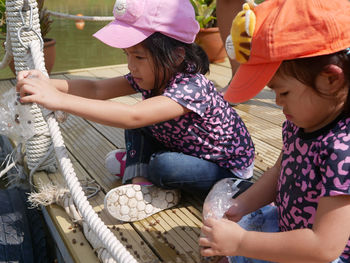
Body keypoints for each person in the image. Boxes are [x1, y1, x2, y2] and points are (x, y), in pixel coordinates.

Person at [16, 0, 255, 222]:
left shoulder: (192, 87)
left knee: (163, 165)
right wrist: (46, 82)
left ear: (176, 56)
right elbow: (96, 88)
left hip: (222, 165)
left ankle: (145, 170)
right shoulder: (155, 74)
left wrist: (58, 100)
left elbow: (132, 117)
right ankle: (141, 182)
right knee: (144, 129)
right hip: (186, 145)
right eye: (127, 55)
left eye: (139, 56)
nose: (131, 65)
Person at [199, 0, 350, 262]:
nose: (278, 102)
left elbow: (323, 247)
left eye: (284, 91)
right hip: (288, 225)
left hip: (318, 253)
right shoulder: (300, 121)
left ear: (331, 79)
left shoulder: (343, 150)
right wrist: (241, 205)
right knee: (228, 240)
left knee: (236, 242)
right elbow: (280, 171)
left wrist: (242, 242)